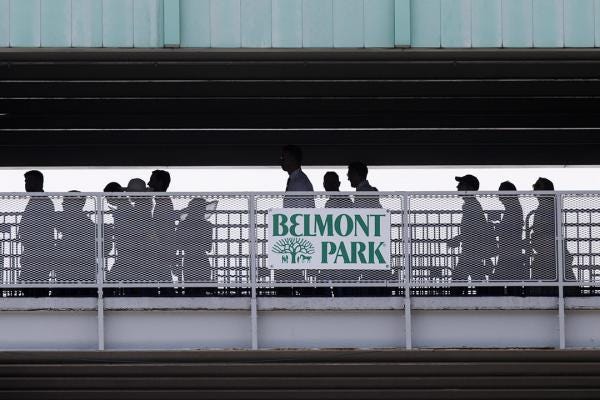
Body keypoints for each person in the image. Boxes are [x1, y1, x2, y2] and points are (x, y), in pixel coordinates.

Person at [447, 175, 497, 291]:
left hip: (471, 252)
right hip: (472, 251)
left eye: (461, 184)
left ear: (468, 187)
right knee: (473, 280)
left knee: (458, 282)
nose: (457, 186)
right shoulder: (472, 205)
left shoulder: (472, 206)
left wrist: (458, 239)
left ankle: (456, 305)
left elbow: (474, 230)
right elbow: (474, 230)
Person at [347, 162, 387, 295]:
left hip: (367, 244)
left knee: (367, 276)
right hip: (372, 244)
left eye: (350, 173)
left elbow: (361, 220)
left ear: (357, 174)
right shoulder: (368, 191)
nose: (348, 177)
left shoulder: (364, 193)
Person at [279, 145, 313, 294]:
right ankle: (304, 290)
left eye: (284, 157)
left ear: (292, 159)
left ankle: (306, 292)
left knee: (287, 270)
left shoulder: (300, 182)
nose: (281, 160)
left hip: (297, 234)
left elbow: (304, 210)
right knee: (289, 270)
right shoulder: (295, 179)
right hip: (292, 233)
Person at [18, 170, 57, 295]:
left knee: (34, 284)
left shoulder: (43, 201)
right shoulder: (37, 200)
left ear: (38, 182)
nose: (26, 184)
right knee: (29, 283)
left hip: (39, 253)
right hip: (34, 252)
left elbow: (43, 228)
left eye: (28, 181)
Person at [174, 198, 216, 293]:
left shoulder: (183, 225)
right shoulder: (207, 225)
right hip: (202, 260)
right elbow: (208, 247)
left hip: (189, 260)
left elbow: (177, 244)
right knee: (202, 291)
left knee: (190, 291)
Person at [58, 191, 96, 285]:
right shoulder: (84, 223)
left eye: (65, 201)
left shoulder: (82, 225)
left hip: (76, 275)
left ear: (74, 204)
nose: (62, 204)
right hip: (77, 274)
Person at [147, 170, 177, 289]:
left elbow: (164, 230)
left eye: (152, 180)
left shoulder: (163, 203)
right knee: (163, 278)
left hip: (161, 251)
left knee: (162, 278)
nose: (149, 184)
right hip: (163, 250)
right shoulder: (162, 202)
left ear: (160, 183)